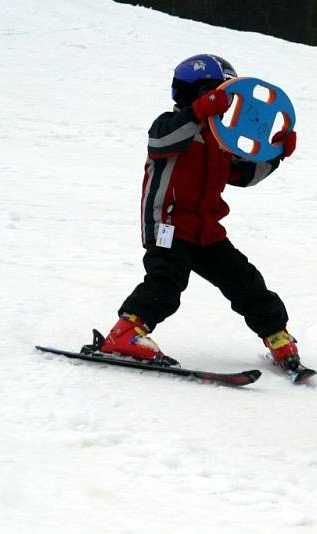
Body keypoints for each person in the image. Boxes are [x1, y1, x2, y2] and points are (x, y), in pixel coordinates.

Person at [99, 53, 303, 372]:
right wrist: (197, 112)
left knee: (245, 281)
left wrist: (275, 155)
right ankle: (125, 333)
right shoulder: (171, 126)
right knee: (166, 281)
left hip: (207, 231)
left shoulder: (219, 140)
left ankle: (277, 336)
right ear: (193, 93)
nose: (223, 103)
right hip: (167, 225)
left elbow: (244, 175)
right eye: (217, 94)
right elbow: (159, 141)